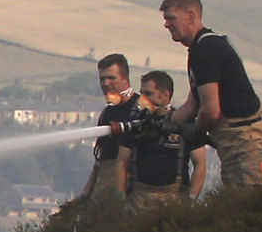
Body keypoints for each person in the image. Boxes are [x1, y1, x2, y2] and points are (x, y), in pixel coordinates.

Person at [161, 0, 262, 189]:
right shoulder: (202, 48)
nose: (166, 24)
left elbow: (211, 110)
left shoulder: (206, 50)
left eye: (171, 18)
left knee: (257, 206)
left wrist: (196, 131)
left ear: (190, 16)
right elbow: (193, 103)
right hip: (236, 144)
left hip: (246, 143)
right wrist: (165, 122)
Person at [124, 71, 192, 211]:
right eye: (141, 93)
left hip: (174, 199)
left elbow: (200, 162)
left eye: (148, 94)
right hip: (139, 198)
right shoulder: (134, 123)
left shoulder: (183, 122)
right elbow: (121, 161)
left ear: (166, 94)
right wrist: (121, 195)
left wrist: (192, 198)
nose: (142, 99)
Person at [81, 53, 137, 207]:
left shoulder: (140, 109)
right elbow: (100, 159)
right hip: (104, 187)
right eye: (102, 79)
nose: (106, 83)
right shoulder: (107, 113)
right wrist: (85, 194)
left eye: (111, 78)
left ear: (125, 77)